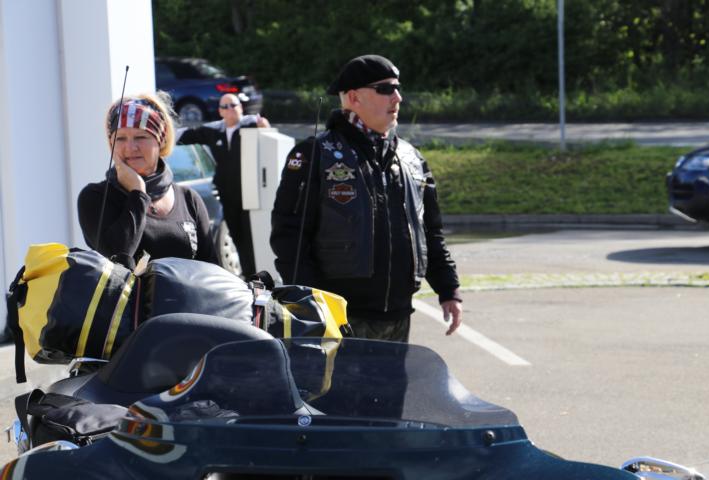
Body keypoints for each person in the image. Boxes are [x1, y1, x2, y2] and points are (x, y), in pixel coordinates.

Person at [270, 54, 462, 342]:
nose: (397, 97)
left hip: (399, 315)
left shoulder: (411, 157)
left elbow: (430, 231)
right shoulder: (314, 154)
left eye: (398, 88)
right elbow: (289, 237)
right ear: (353, 98)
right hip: (340, 318)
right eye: (385, 89)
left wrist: (449, 289)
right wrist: (312, 304)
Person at [78, 91, 218, 268]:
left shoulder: (189, 199)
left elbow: (213, 270)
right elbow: (117, 257)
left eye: (140, 137)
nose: (130, 147)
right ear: (111, 143)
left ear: (161, 140)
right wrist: (138, 194)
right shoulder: (96, 197)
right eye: (120, 138)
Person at [177, 93, 270, 279]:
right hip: (228, 195)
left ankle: (263, 276)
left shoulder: (250, 125)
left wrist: (264, 126)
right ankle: (249, 277)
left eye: (233, 105)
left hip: (251, 195)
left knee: (254, 237)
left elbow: (268, 133)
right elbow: (184, 135)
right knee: (237, 236)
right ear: (220, 111)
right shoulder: (215, 130)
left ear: (240, 107)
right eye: (224, 106)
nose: (229, 109)